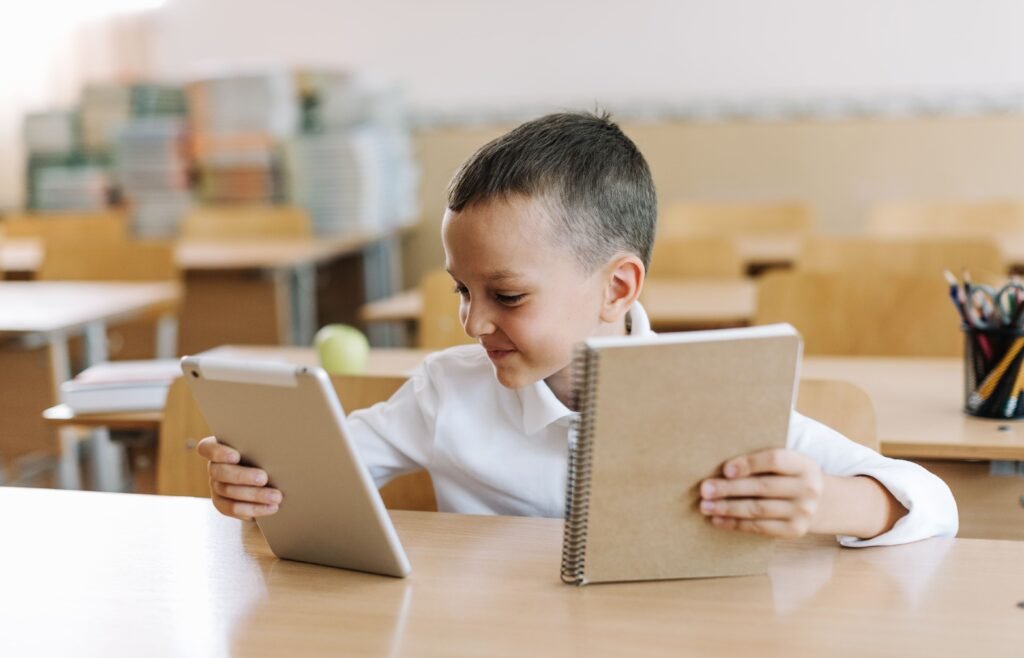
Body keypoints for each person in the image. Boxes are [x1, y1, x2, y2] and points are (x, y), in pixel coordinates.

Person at [198, 111, 957, 546]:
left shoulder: (711, 397)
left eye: (507, 294)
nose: (472, 320)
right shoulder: (444, 392)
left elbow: (934, 501)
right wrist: (256, 479)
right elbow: (322, 473)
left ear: (617, 287)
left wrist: (829, 502)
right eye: (462, 290)